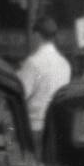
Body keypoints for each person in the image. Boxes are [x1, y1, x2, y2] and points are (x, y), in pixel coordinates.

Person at [17, 15, 71, 144]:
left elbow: (20, 94)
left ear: (36, 35)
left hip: (34, 127)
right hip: (56, 128)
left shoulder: (33, 62)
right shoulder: (65, 64)